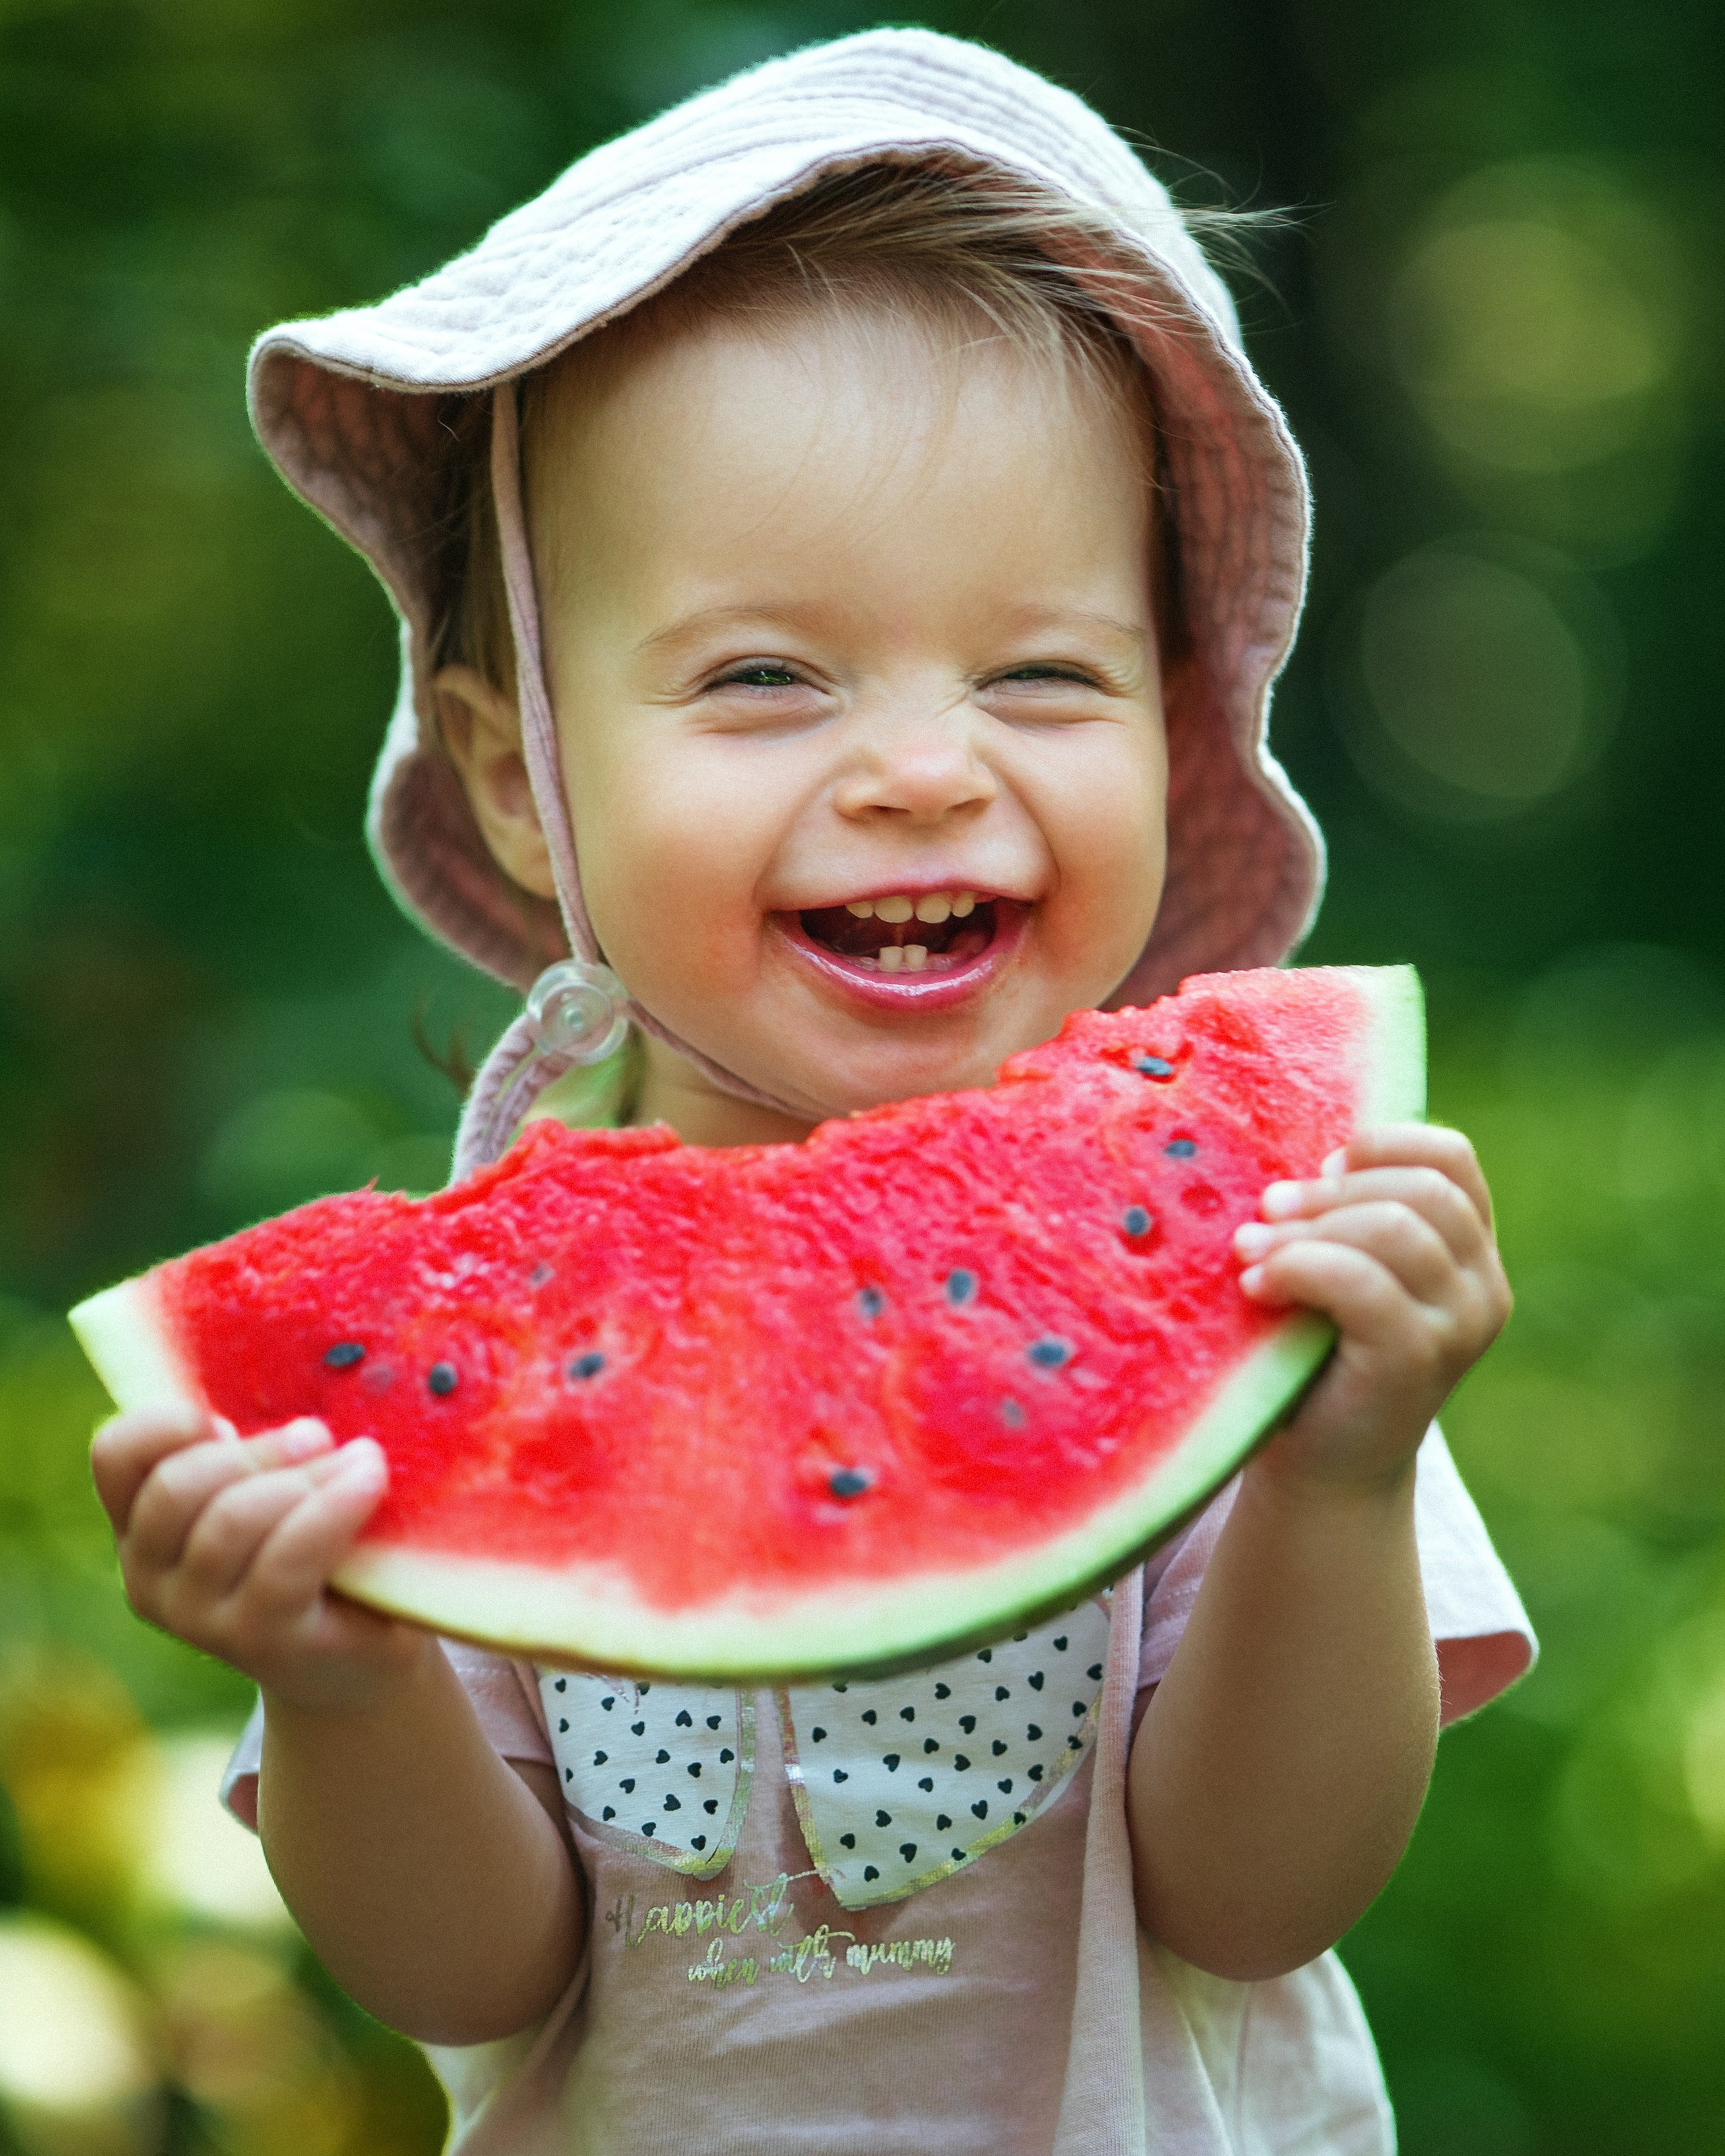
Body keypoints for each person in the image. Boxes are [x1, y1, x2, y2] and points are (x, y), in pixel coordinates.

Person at [88, 30, 1534, 2154]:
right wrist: (341, 1677)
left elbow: (1257, 1899)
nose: (925, 769)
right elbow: (474, 1979)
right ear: (519, 775)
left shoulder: (1252, 1280)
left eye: (1041, 673)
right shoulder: (488, 1365)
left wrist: (1342, 1475)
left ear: (1170, 726)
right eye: (766, 676)